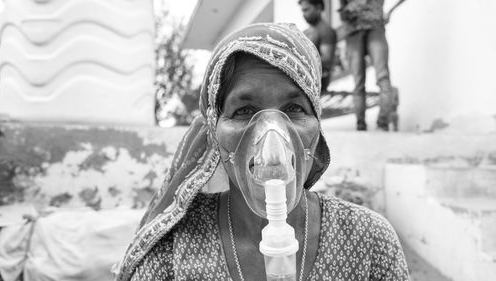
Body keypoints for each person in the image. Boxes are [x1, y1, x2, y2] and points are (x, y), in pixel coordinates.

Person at [114, 23, 409, 281]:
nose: (271, 137)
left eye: (294, 109)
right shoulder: (174, 248)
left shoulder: (369, 242)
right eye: (244, 111)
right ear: (214, 131)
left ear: (317, 127)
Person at [339, 0, 406, 131]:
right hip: (353, 31)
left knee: (382, 77)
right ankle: (361, 125)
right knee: (360, 82)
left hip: (375, 28)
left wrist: (391, 11)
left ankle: (382, 123)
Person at [299, 0, 337, 94]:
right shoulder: (305, 32)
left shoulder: (326, 31)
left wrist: (301, 58)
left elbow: (327, 61)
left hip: (317, 84)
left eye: (307, 10)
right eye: (303, 11)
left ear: (318, 7)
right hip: (303, 80)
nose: (304, 14)